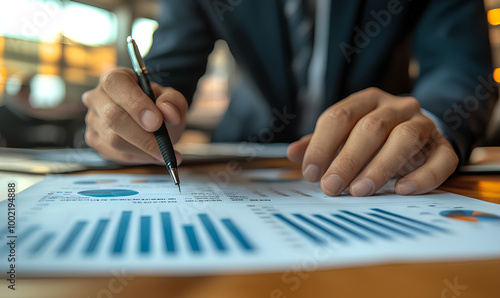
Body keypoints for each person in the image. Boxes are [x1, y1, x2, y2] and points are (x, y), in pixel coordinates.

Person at [82, 0, 496, 197]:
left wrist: (432, 121)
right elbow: (165, 73)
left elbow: (458, 67)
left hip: (383, 155)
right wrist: (130, 113)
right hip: (246, 154)